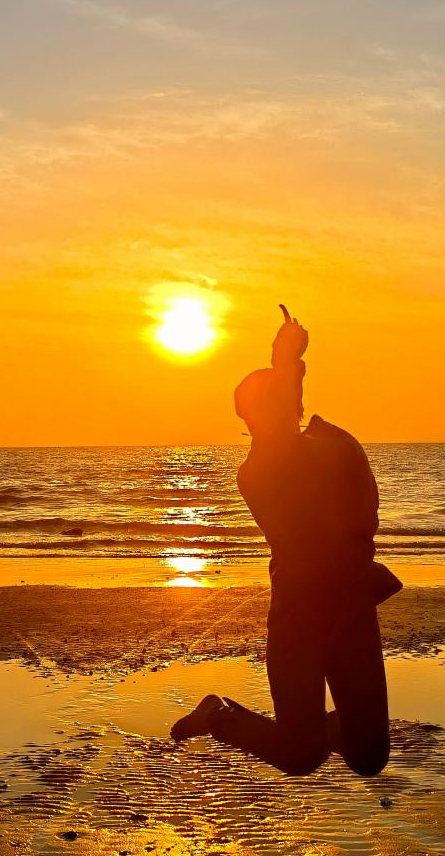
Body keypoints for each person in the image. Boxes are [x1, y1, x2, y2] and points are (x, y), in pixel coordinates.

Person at [170, 306, 398, 775]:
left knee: (369, 754)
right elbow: (283, 439)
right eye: (276, 407)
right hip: (300, 619)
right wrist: (285, 358)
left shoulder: (318, 447)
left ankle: (320, 730)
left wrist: (291, 369)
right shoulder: (259, 471)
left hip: (352, 608)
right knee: (301, 755)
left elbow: (293, 425)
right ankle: (220, 717)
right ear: (257, 418)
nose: (291, 409)